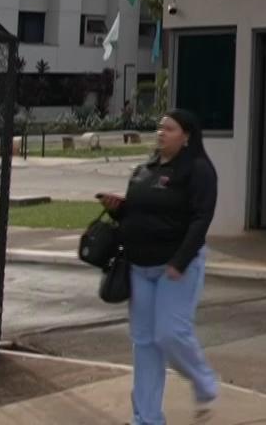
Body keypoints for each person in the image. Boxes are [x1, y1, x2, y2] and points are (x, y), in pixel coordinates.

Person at [97, 109, 220, 425]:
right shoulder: (144, 170)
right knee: (144, 342)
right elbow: (136, 214)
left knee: (170, 333)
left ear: (187, 136)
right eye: (159, 127)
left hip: (176, 266)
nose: (161, 133)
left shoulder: (198, 170)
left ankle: (204, 382)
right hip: (140, 268)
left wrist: (181, 260)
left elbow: (200, 219)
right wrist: (117, 210)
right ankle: (146, 418)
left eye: (169, 128)